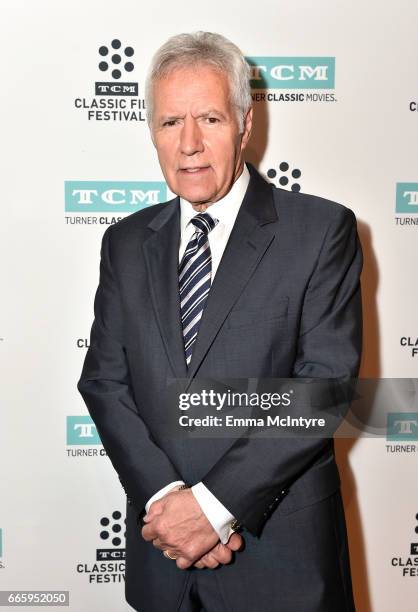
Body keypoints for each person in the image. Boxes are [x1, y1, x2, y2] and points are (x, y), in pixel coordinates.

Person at [78, 31, 362, 612]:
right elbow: (104, 382)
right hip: (164, 560)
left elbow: (322, 387)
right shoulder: (125, 242)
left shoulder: (320, 231)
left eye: (209, 118)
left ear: (245, 123)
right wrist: (168, 502)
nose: (189, 144)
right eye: (168, 123)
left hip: (283, 566)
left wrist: (211, 508)